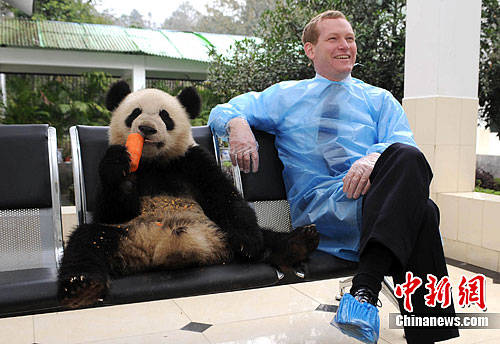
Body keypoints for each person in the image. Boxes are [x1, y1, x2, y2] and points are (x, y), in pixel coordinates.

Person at [208, 10, 459, 344]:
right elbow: (223, 109)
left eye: (350, 38)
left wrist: (372, 159)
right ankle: (411, 319)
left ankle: (364, 291)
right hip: (321, 210)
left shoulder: (379, 100)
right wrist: (236, 124)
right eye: (334, 38)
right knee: (421, 212)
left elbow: (405, 149)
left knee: (409, 166)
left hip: (376, 204)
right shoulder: (284, 96)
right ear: (310, 50)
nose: (346, 46)